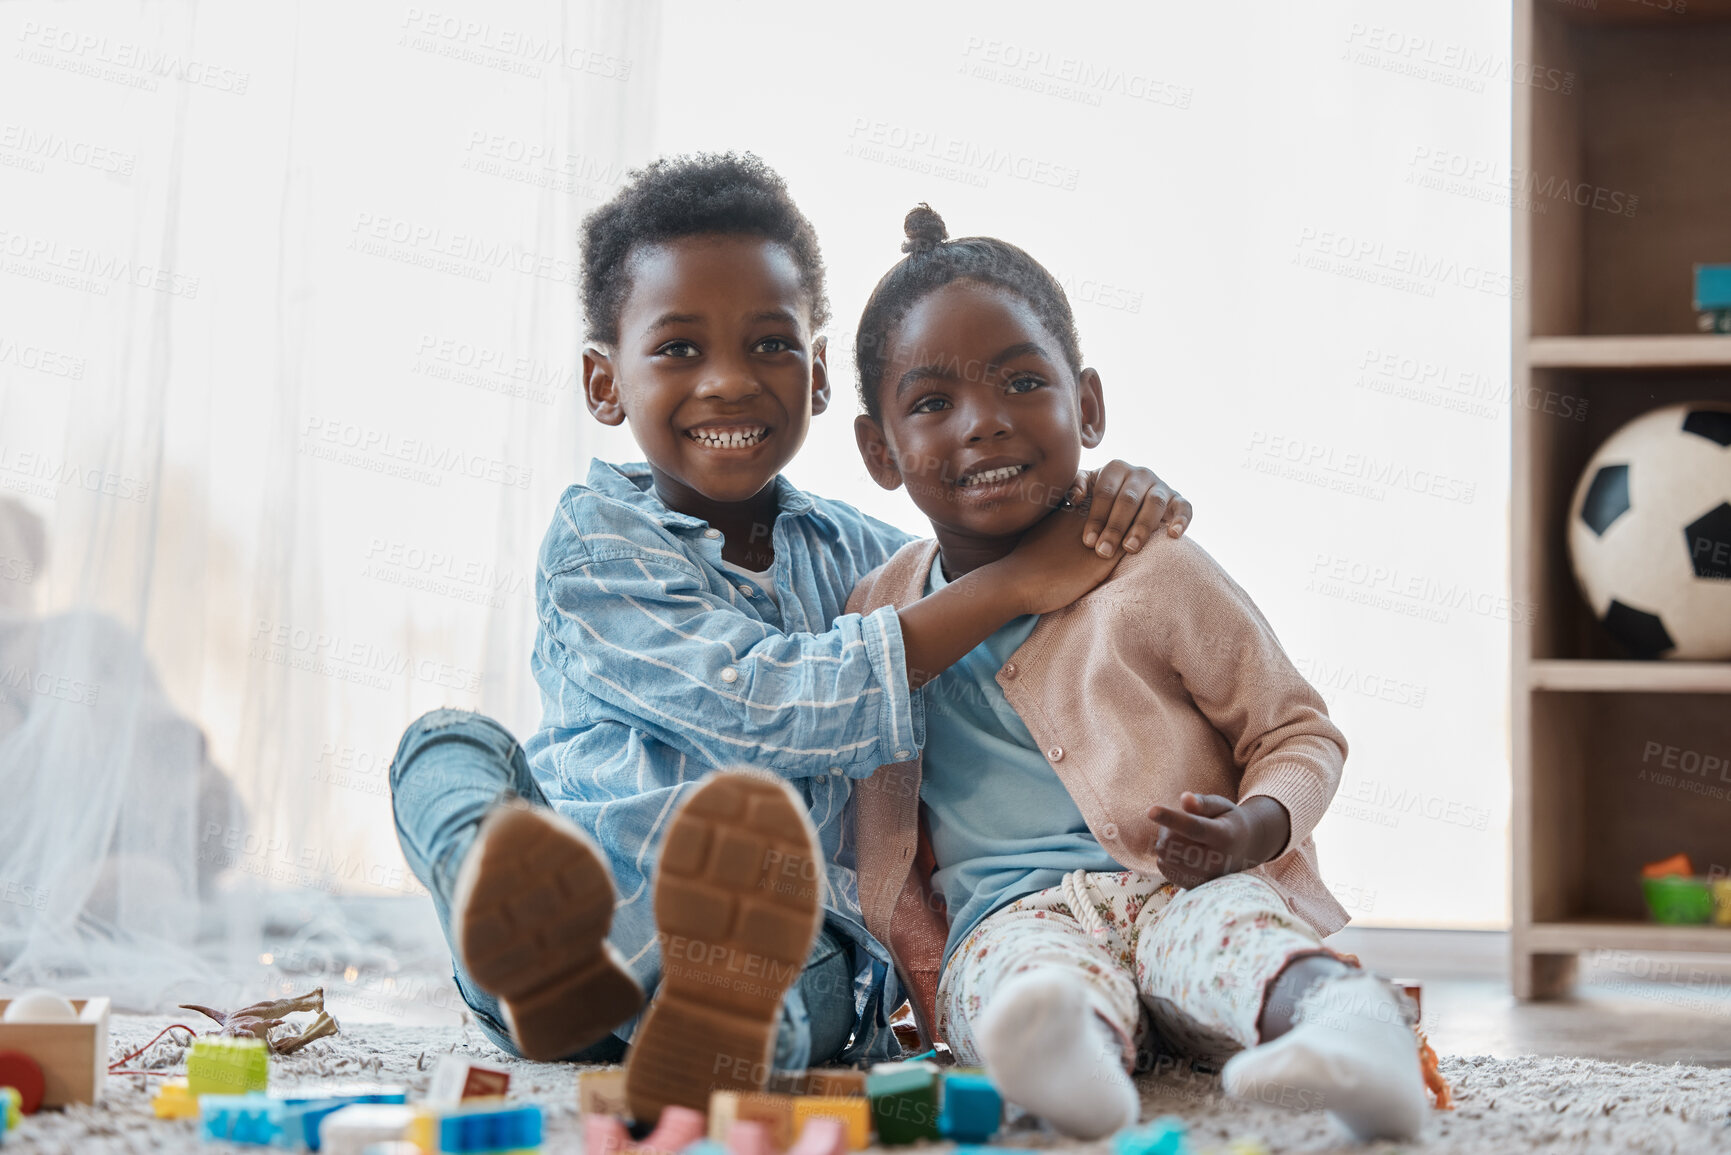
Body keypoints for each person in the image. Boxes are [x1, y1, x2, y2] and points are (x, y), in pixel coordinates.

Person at [389, 155, 1194, 1114]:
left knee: (815, 977)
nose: (728, 382)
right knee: (445, 744)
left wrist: (1096, 504)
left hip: (764, 951)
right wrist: (1018, 576)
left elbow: (1005, 578)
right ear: (605, 383)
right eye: (679, 349)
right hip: (593, 887)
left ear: (817, 378)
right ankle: (513, 911)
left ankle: (709, 1037)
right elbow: (761, 703)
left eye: (769, 346)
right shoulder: (596, 544)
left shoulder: (870, 559)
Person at [845, 205, 1428, 1142]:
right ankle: (1070, 1070)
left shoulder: (1153, 569)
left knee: (1242, 946)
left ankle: (1349, 1032)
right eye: (931, 402)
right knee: (1018, 983)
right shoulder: (878, 620)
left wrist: (1252, 828)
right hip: (1009, 917)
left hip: (1181, 890)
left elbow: (1297, 732)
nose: (985, 423)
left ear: (1088, 405)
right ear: (880, 450)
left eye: (1022, 382)